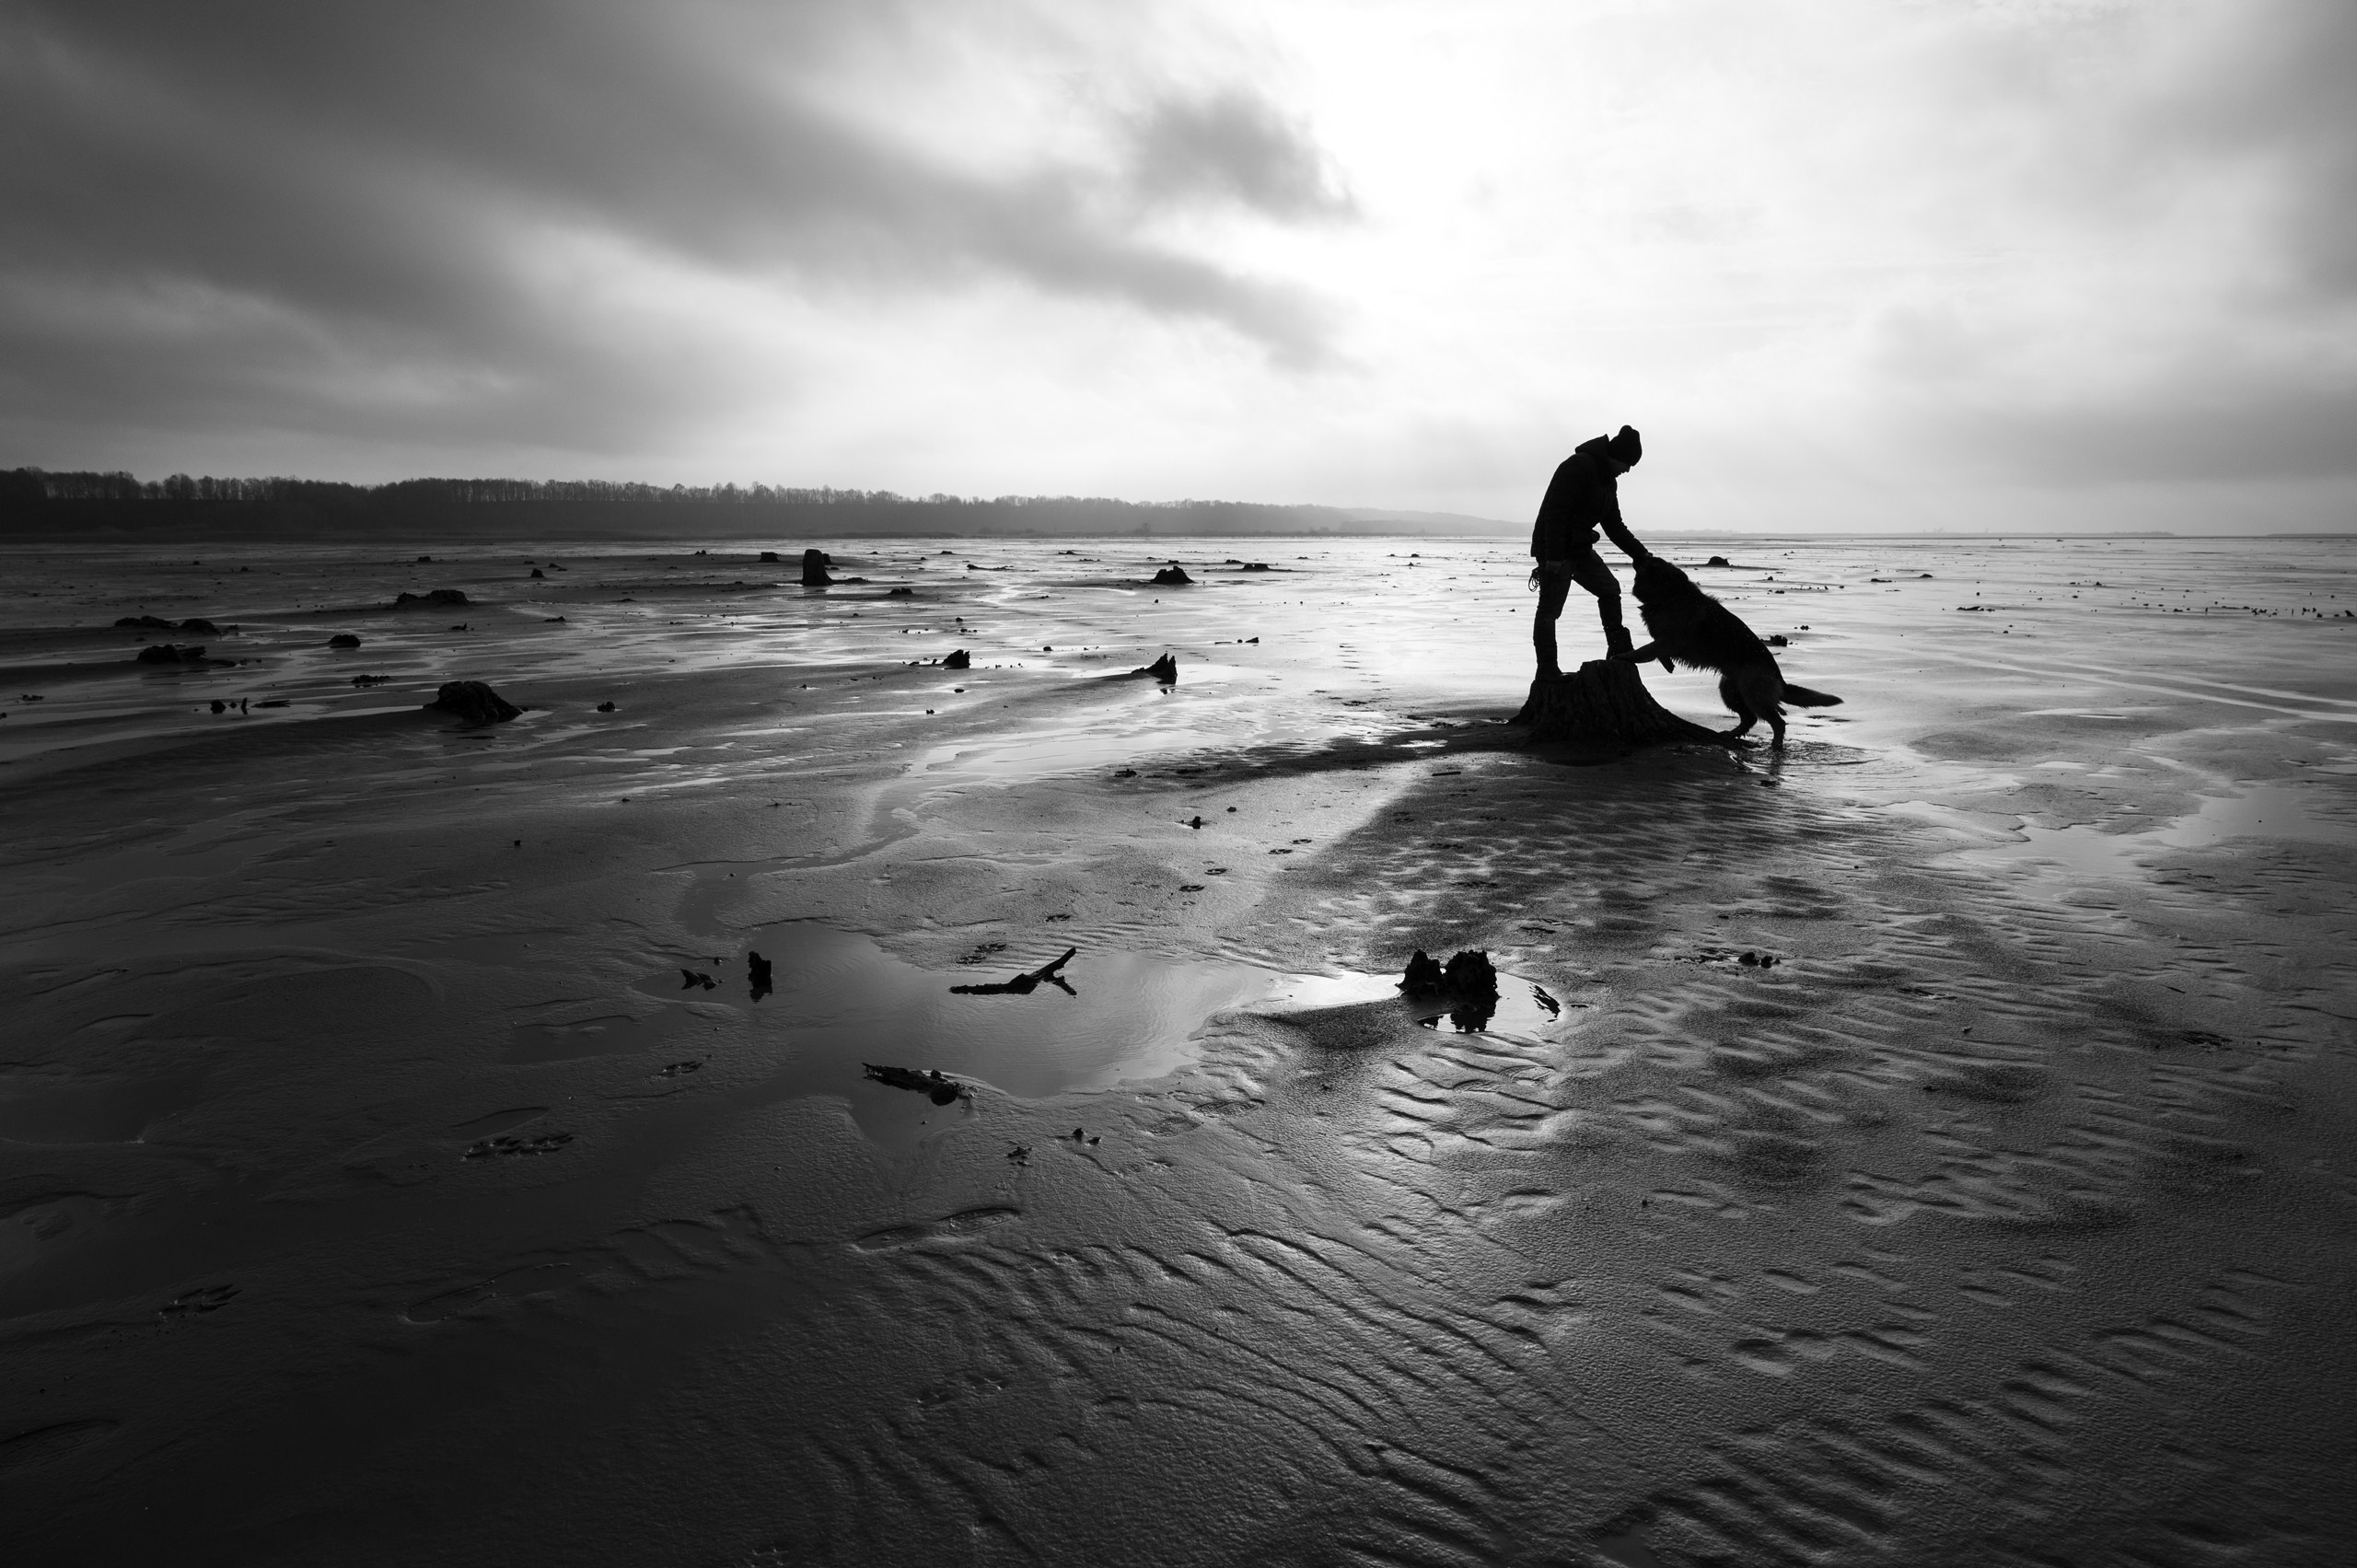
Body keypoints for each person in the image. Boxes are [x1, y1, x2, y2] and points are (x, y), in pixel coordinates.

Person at [1528, 424, 1649, 676]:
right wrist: (1553, 557)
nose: (1627, 470)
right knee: (1550, 610)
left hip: (1579, 547)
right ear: (1616, 455)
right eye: (1627, 464)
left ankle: (1617, 650)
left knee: (1610, 589)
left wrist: (1641, 555)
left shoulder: (1608, 482)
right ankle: (1547, 671)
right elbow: (1556, 512)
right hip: (1554, 548)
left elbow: (1614, 526)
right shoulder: (1578, 466)